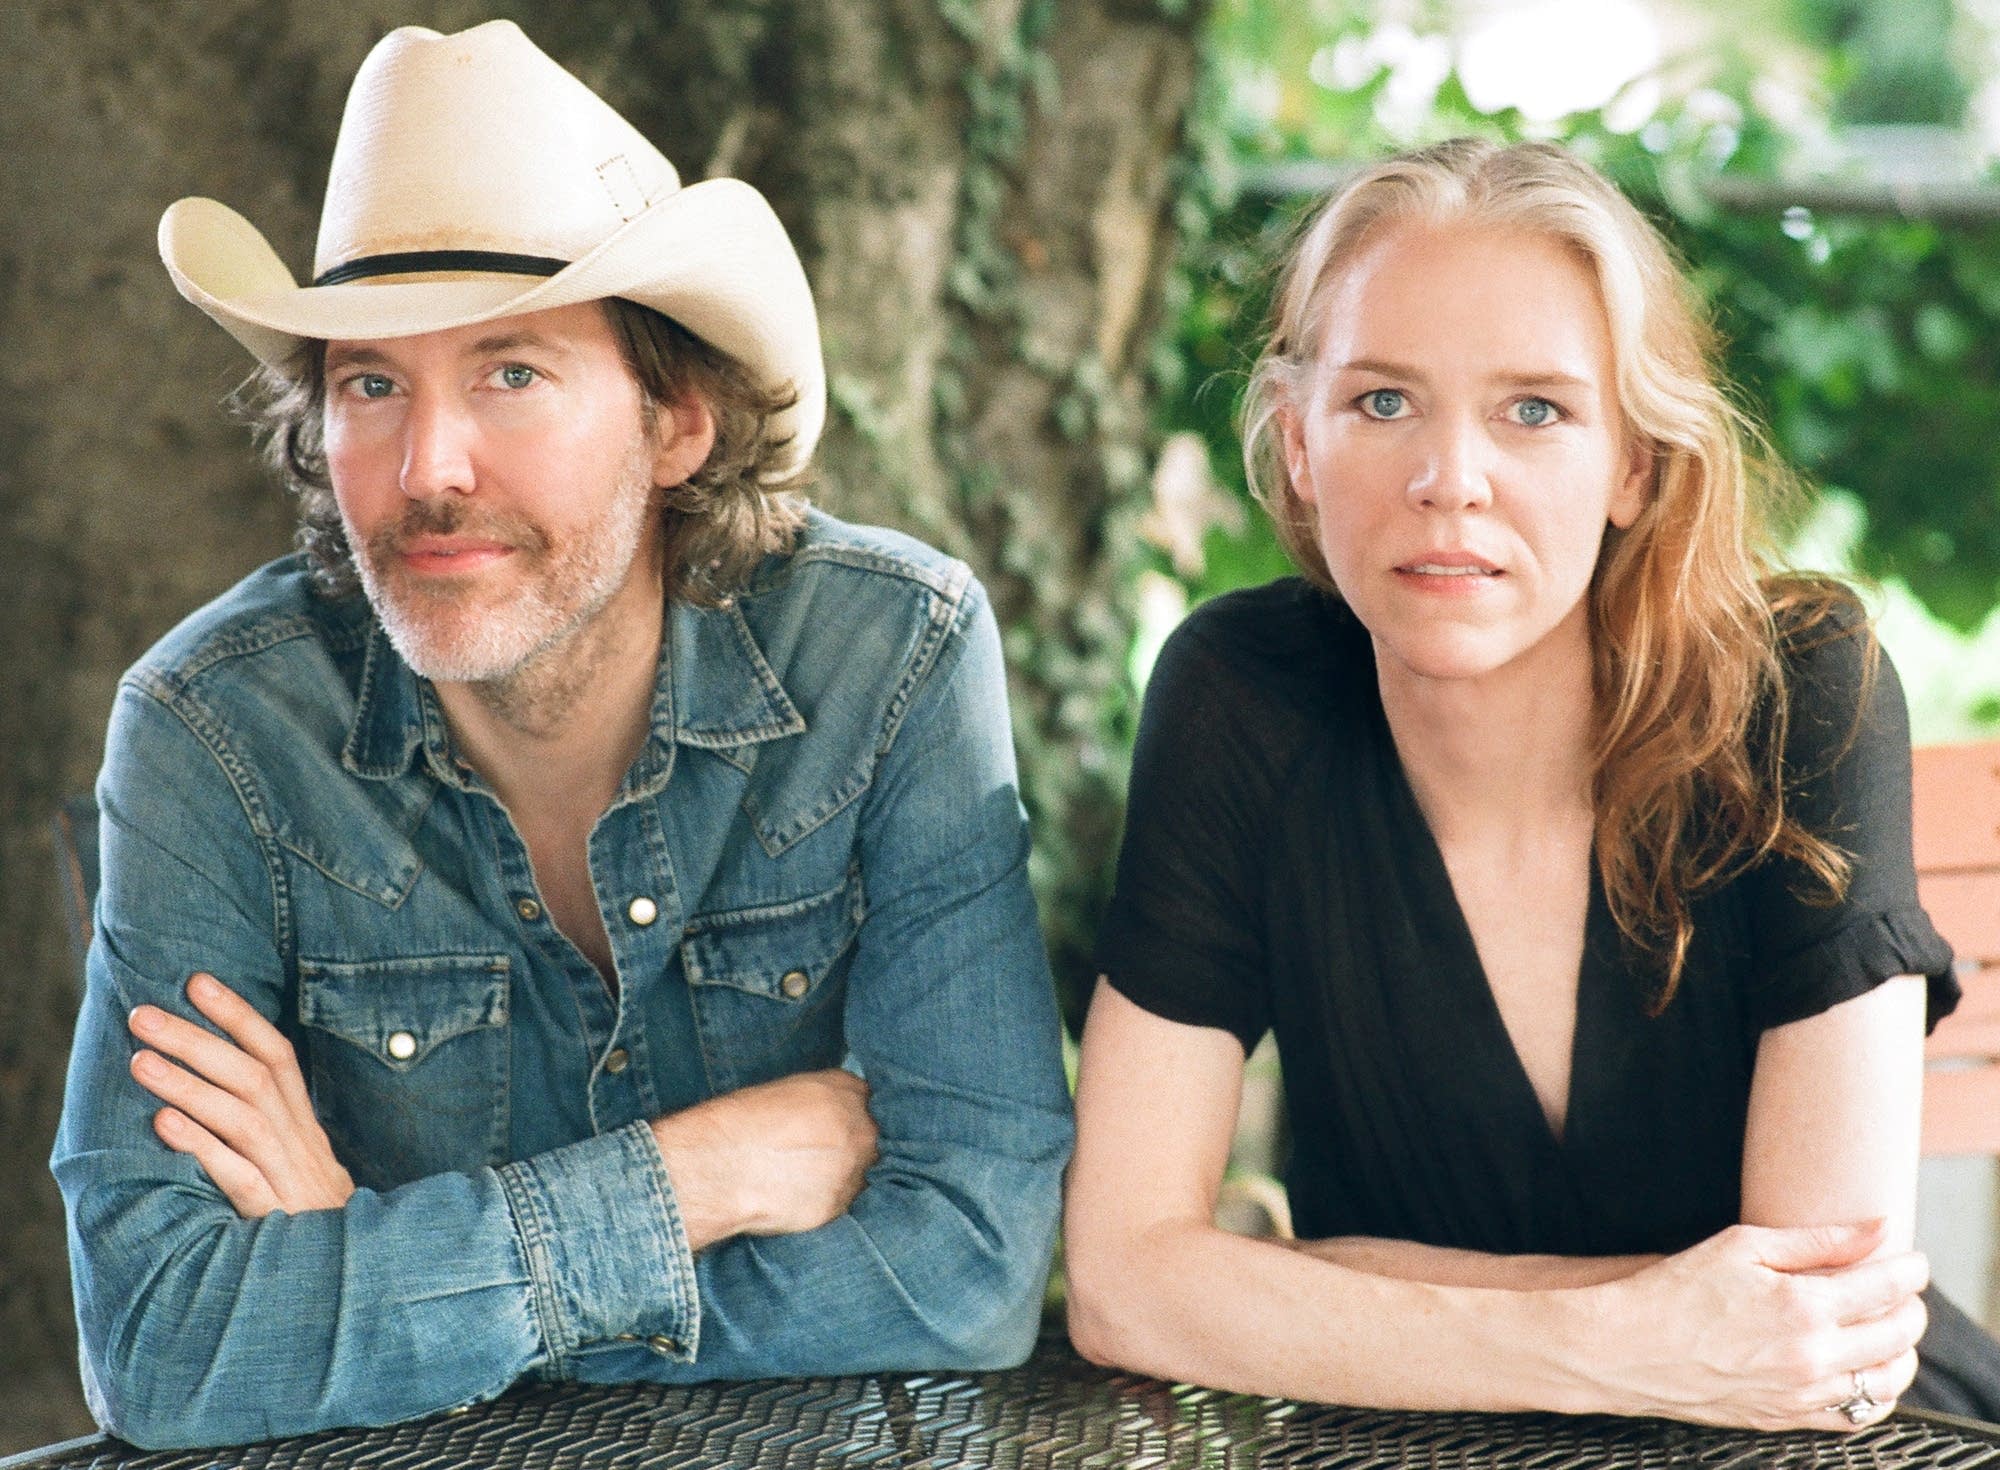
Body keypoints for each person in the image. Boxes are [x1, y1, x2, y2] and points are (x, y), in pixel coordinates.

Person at [53, 21, 1071, 1451]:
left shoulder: (887, 658)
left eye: (511, 372)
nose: (429, 468)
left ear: (678, 424)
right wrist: (687, 1179)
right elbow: (165, 1341)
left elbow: (969, 1269)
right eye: (370, 384)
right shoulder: (214, 732)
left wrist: (392, 1284)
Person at [1063, 137, 1996, 1431]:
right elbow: (1127, 1283)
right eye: (1383, 400)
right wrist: (1627, 1335)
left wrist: (1313, 1290)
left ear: (1635, 464)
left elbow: (1819, 1338)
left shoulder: (1799, 692)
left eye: (1536, 409)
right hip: (1410, 1443)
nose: (1451, 478)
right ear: (1295, 440)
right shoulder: (1245, 698)